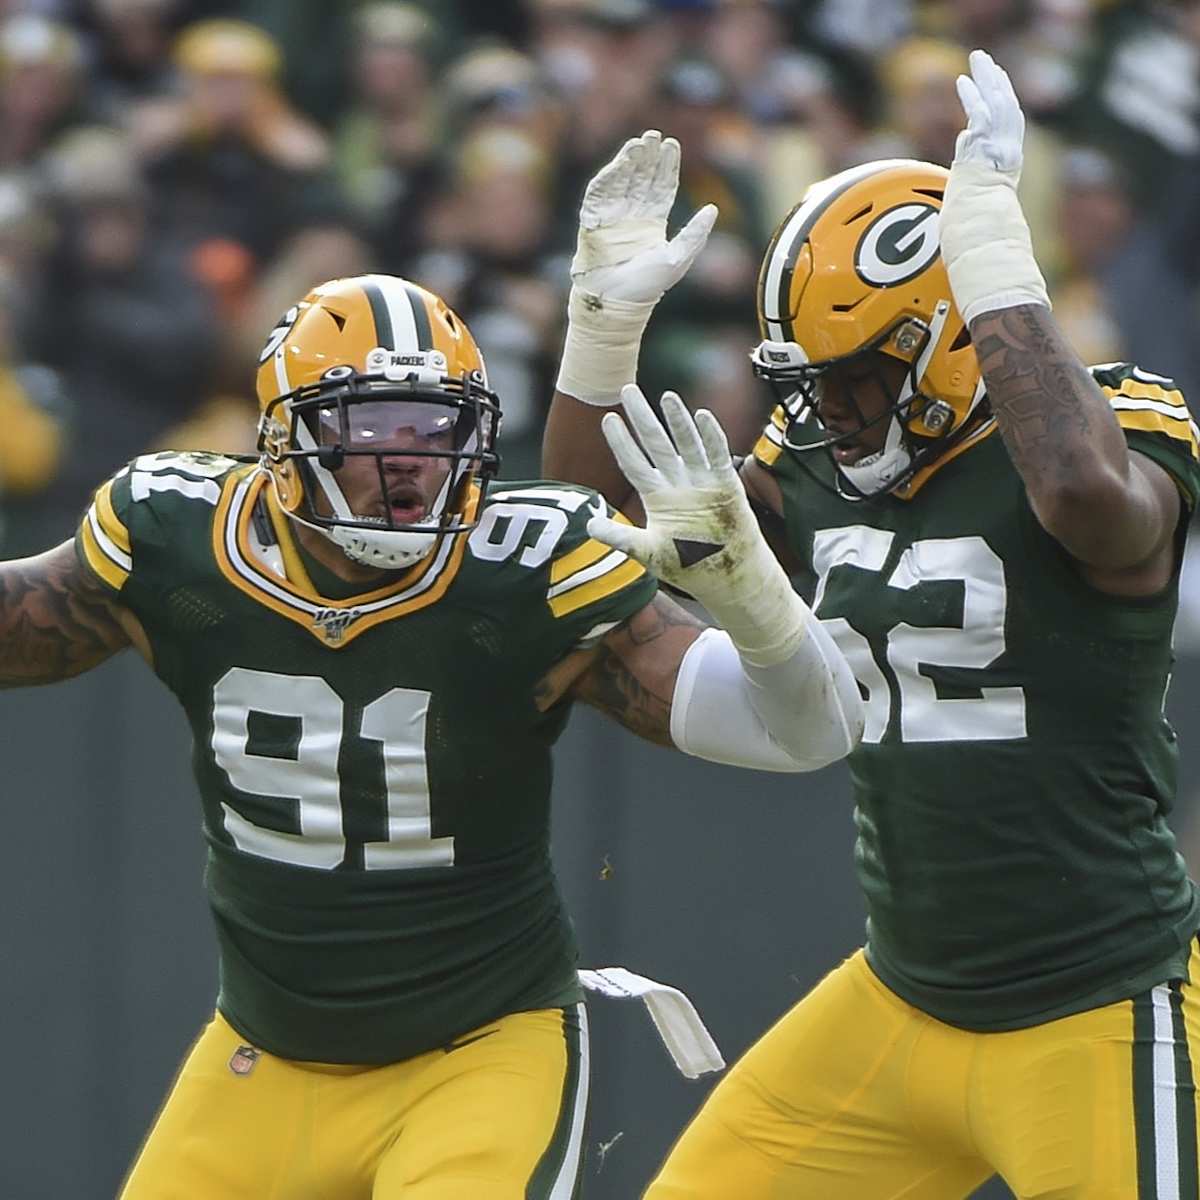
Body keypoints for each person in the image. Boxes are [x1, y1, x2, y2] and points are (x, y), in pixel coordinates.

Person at [0, 272, 863, 1197]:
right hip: (265, 1056)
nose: (411, 458)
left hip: (480, 1056)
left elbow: (802, 734)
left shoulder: (523, 563)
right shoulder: (173, 533)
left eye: (436, 425)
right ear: (286, 438)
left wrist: (757, 605)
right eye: (372, 428)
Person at [544, 51, 1200, 1198]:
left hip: (1097, 1004)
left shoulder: (1113, 423)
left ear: (956, 336)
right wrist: (601, 339)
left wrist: (994, 256)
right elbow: (591, 522)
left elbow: (1088, 502)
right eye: (811, 380)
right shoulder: (814, 461)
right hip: (902, 994)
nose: (826, 411)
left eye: (856, 377)